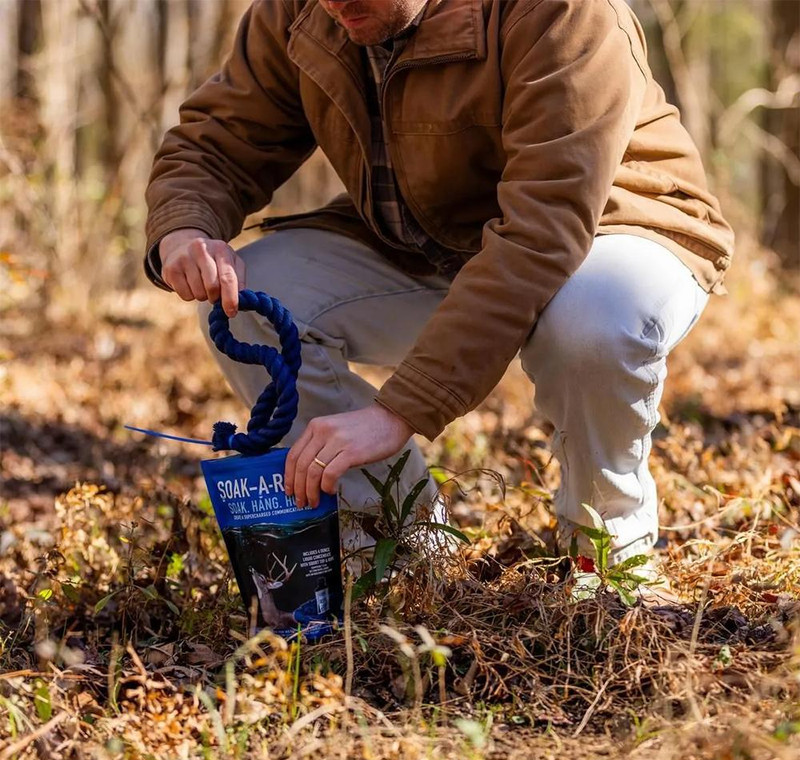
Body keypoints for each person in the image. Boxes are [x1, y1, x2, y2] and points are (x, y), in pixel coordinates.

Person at [144, 0, 734, 567]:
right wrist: (184, 228)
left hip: (615, 231)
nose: (333, 3)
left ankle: (607, 551)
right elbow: (219, 140)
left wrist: (399, 412)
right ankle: (406, 550)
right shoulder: (301, 11)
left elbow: (542, 233)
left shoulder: (562, 12)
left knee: (593, 320)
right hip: (430, 247)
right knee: (256, 301)